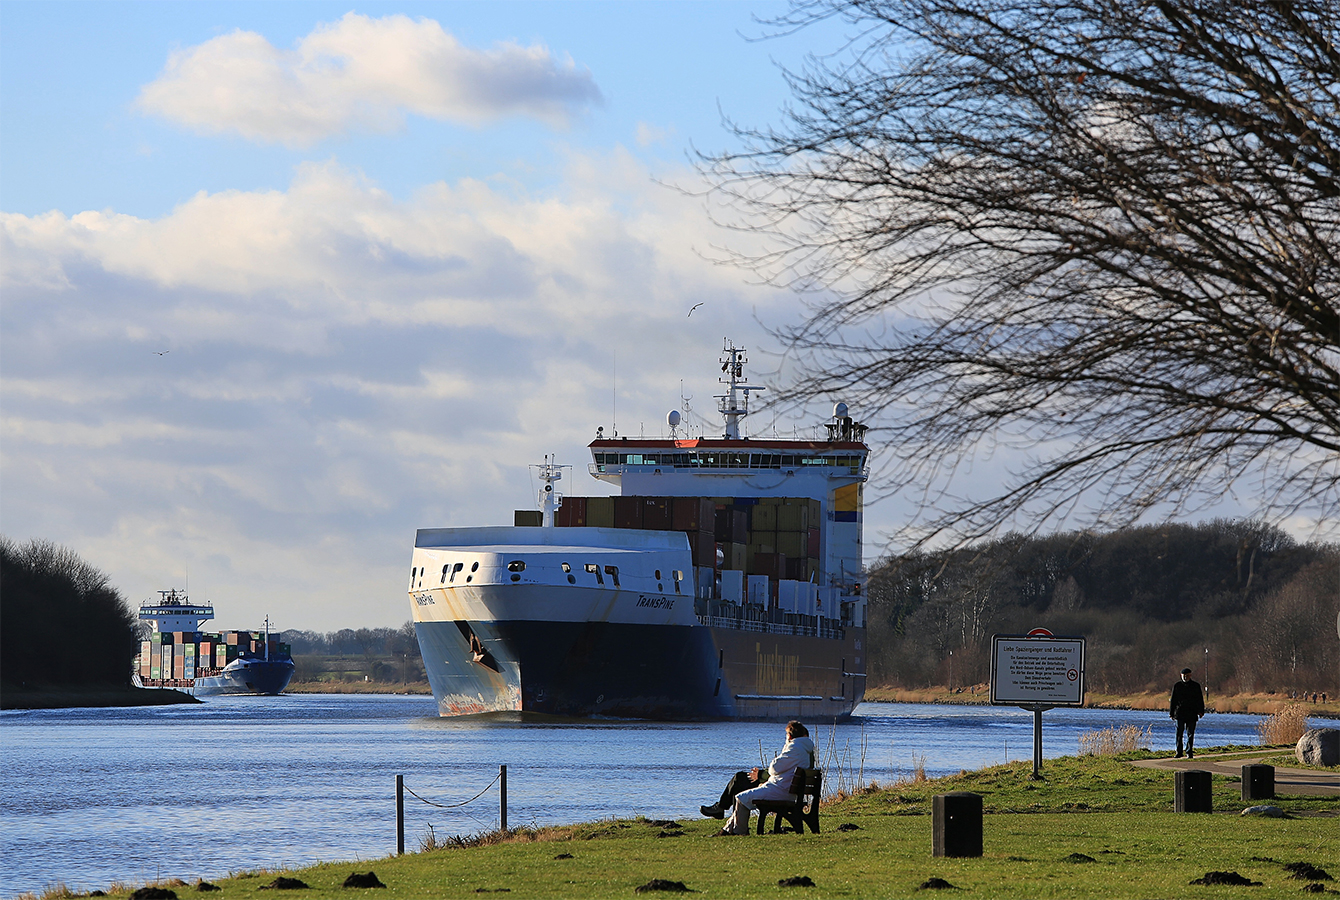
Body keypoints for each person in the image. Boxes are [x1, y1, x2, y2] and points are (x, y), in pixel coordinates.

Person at [707, 720, 816, 836]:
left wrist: (784, 748)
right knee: (744, 794)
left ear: (789, 735)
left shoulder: (794, 748)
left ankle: (739, 831)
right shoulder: (805, 749)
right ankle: (727, 830)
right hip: (788, 790)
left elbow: (774, 768)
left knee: (741, 797)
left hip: (781, 790)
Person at [1169, 667, 1205, 758]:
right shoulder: (1177, 686)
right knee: (1179, 734)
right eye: (1184, 676)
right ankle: (1179, 752)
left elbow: (1200, 699)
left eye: (1187, 676)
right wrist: (1171, 713)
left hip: (1192, 713)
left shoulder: (1195, 686)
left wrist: (1201, 711)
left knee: (1190, 734)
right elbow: (1173, 700)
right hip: (1179, 713)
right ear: (1181, 676)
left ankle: (1189, 751)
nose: (1185, 677)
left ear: (1190, 675)